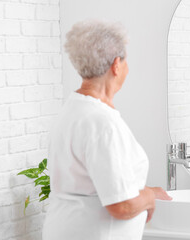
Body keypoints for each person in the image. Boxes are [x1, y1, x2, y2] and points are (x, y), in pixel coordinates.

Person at [42, 19, 171, 240]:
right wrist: (149, 196)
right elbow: (120, 206)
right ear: (116, 64)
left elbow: (91, 183)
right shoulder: (101, 122)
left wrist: (144, 190)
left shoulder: (72, 110)